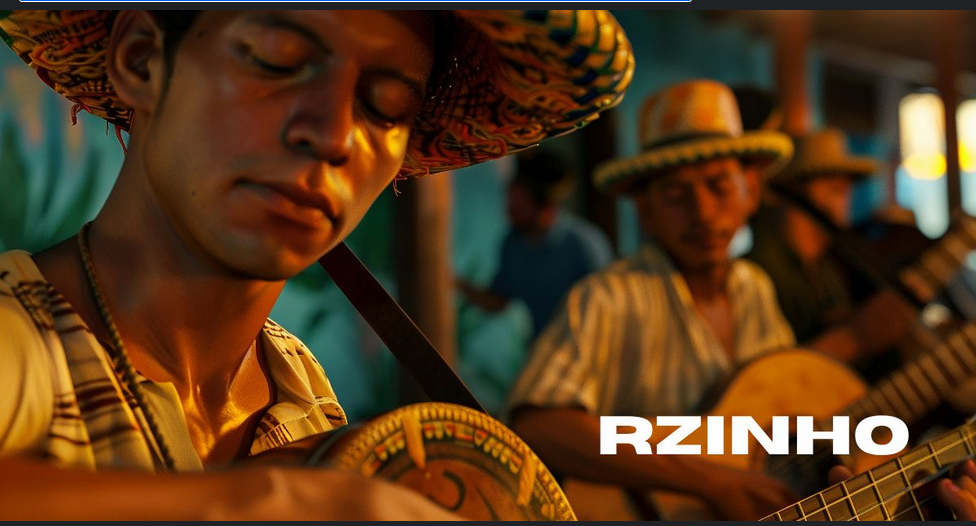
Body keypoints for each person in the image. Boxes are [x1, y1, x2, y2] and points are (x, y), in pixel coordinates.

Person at [0, 9, 634, 519]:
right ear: (142, 57)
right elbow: (551, 428)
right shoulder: (20, 342)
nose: (334, 134)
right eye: (276, 60)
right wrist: (270, 501)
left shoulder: (297, 382)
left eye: (387, 106)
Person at [505, 79, 976, 520]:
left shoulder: (754, 287)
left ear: (750, 193)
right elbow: (539, 423)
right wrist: (709, 481)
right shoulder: (607, 297)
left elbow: (768, 417)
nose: (704, 213)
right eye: (676, 195)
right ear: (645, 210)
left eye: (719, 186)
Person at [746, 128, 917, 368]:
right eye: (834, 189)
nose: (844, 200)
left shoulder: (827, 266)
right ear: (797, 196)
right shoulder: (760, 273)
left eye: (845, 190)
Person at [455, 150, 614, 342]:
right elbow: (498, 301)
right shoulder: (513, 244)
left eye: (518, 206)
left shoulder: (584, 245)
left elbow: (607, 310)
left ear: (546, 208)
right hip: (541, 355)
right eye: (509, 202)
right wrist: (456, 283)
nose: (508, 212)